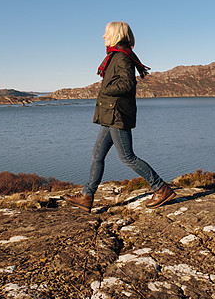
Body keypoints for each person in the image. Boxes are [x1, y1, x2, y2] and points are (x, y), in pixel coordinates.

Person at [64, 21, 176, 212]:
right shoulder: (115, 55)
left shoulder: (122, 57)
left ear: (116, 34)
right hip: (111, 114)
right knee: (97, 154)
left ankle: (161, 188)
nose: (103, 36)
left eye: (106, 32)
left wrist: (106, 88)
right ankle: (87, 196)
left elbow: (128, 84)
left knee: (127, 157)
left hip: (117, 114)